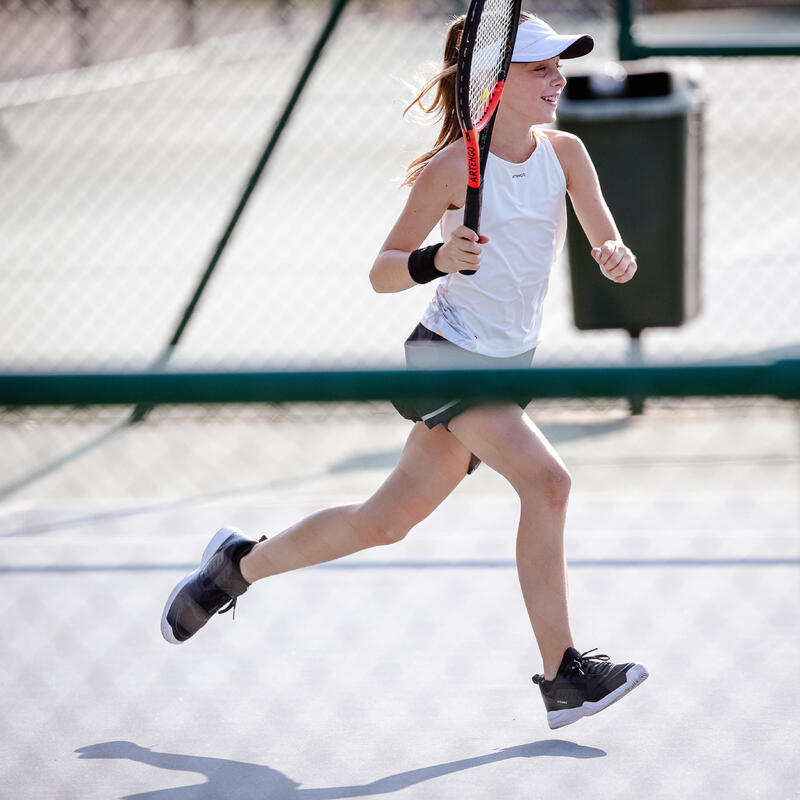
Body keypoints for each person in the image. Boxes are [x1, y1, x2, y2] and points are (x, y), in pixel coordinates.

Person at [161, 14, 648, 731]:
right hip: (448, 355)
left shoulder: (568, 153)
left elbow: (604, 233)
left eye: (558, 67)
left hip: (509, 365)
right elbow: (383, 272)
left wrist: (614, 253)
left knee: (384, 522)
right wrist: (436, 260)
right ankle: (563, 675)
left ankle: (237, 565)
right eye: (541, 68)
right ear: (496, 83)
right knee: (549, 483)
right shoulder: (454, 167)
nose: (558, 79)